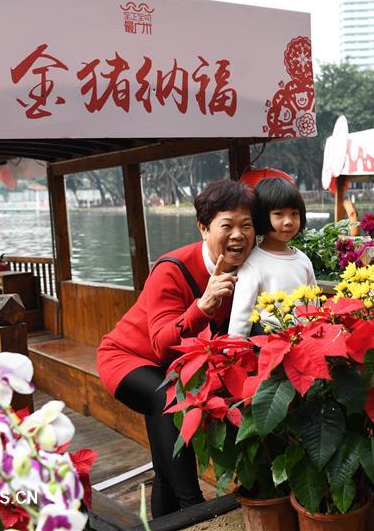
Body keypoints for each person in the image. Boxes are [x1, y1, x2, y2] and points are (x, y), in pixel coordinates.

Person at [96, 179, 255, 518]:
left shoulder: (251, 269)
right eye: (227, 225)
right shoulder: (172, 268)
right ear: (203, 228)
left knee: (164, 470)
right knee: (164, 398)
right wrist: (204, 306)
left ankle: (169, 519)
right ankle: (194, 508)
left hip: (180, 368)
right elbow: (162, 343)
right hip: (129, 358)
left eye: (247, 225)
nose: (238, 235)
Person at [228, 177, 316, 338]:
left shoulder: (303, 260)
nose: (288, 221)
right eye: (279, 214)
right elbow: (241, 315)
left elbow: (313, 303)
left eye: (294, 214)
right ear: (262, 216)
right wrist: (234, 351)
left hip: (304, 340)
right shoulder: (252, 263)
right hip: (269, 343)